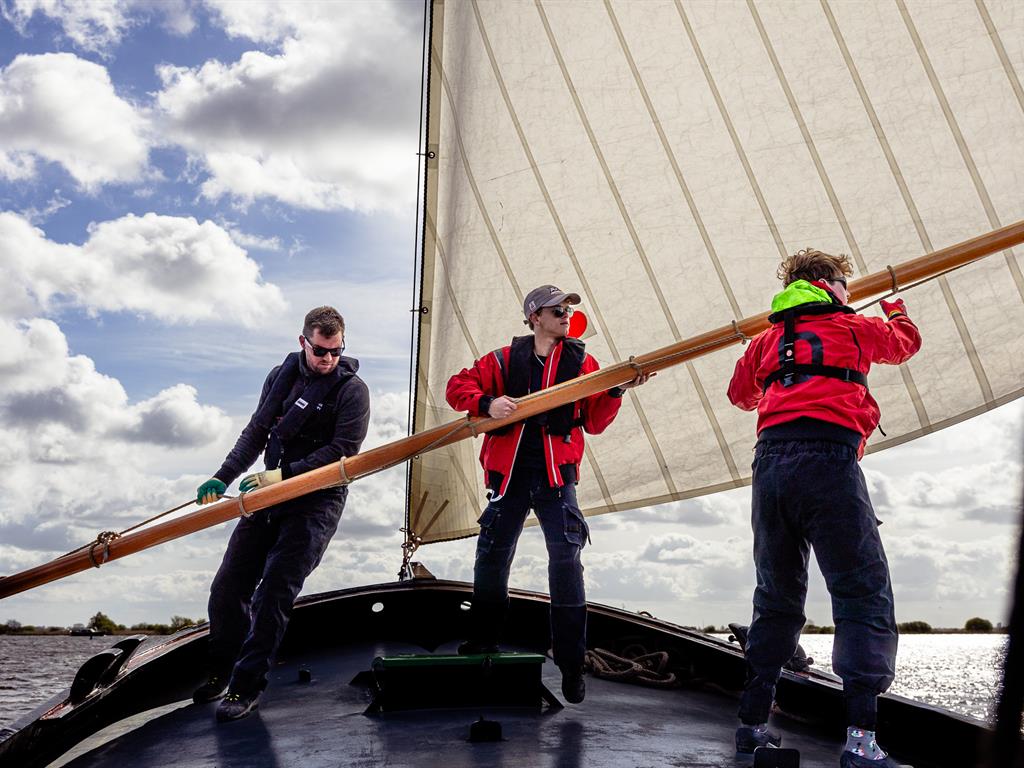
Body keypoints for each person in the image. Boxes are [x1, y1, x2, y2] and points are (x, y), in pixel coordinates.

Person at [727, 249, 922, 767]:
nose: (849, 291)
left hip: (769, 467)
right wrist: (897, 308)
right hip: (828, 463)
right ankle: (860, 742)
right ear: (826, 283)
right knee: (862, 593)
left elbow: (740, 395)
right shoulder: (853, 326)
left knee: (777, 596)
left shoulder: (767, 340)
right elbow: (905, 346)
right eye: (844, 283)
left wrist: (761, 356)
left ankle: (751, 726)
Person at [445, 284, 651, 704]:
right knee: (491, 557)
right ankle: (483, 644)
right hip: (511, 477)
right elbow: (457, 388)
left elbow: (594, 422)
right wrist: (486, 403)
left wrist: (615, 391)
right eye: (558, 310)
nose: (566, 315)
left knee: (566, 562)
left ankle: (573, 665)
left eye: (569, 310)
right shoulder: (501, 360)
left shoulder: (584, 363)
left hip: (558, 479)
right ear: (535, 316)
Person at [192, 306, 370, 722]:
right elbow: (256, 431)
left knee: (273, 590)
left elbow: (344, 450)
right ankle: (222, 671)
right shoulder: (279, 377)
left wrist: (282, 475)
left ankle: (245, 687)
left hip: (317, 500)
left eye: (335, 352)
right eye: (320, 351)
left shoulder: (352, 390)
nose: (327, 360)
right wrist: (222, 476)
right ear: (303, 342)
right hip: (268, 495)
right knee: (227, 587)